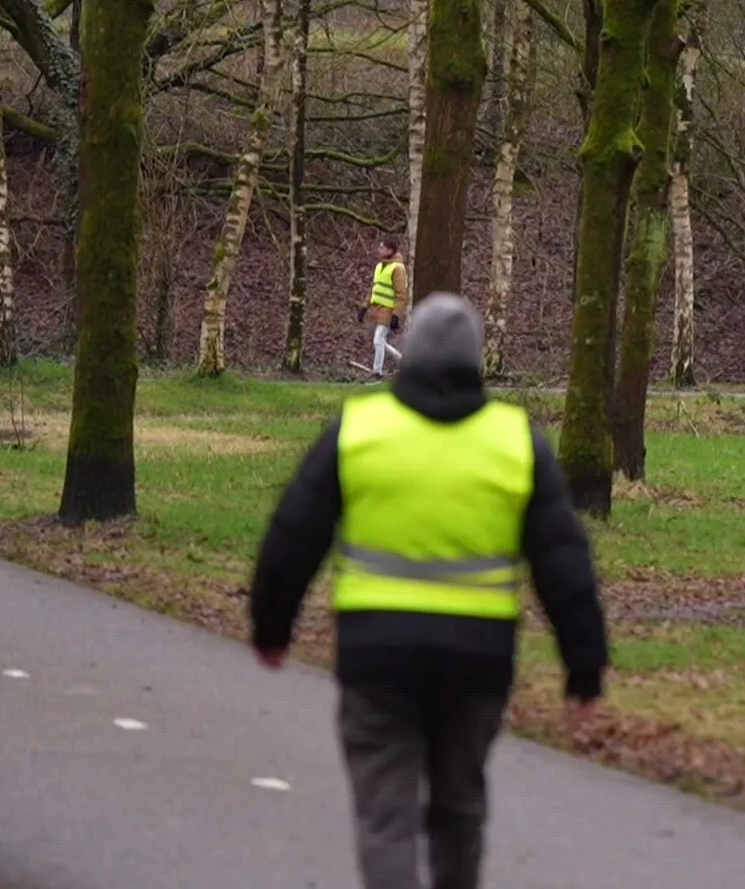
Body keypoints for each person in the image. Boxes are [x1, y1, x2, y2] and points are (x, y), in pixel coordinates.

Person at [248, 292, 610, 889]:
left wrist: (270, 627)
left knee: (385, 815)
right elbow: (563, 563)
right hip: (477, 661)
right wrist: (585, 668)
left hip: (376, 656)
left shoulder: (359, 430)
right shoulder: (517, 441)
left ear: (408, 354)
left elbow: (294, 536)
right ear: (477, 360)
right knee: (459, 808)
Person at [359, 238, 410, 379]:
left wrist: (396, 315)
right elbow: (374, 289)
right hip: (378, 309)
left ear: (390, 250)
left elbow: (401, 294)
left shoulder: (398, 268)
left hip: (388, 309)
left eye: (382, 248)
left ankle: (377, 372)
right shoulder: (379, 267)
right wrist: (364, 306)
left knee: (378, 339)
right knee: (380, 341)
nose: (379, 250)